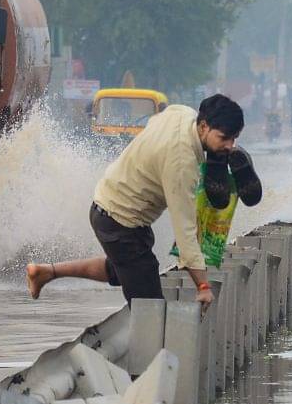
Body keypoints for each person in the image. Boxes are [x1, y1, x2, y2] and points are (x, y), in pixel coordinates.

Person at [26, 94, 243, 306]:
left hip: (107, 204)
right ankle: (147, 343)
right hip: (120, 221)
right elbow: (185, 231)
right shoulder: (181, 163)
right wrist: (203, 287)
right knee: (150, 308)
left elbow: (156, 122)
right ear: (203, 126)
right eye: (224, 138)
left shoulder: (182, 113)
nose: (230, 146)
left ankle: (47, 272)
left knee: (122, 269)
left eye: (234, 139)